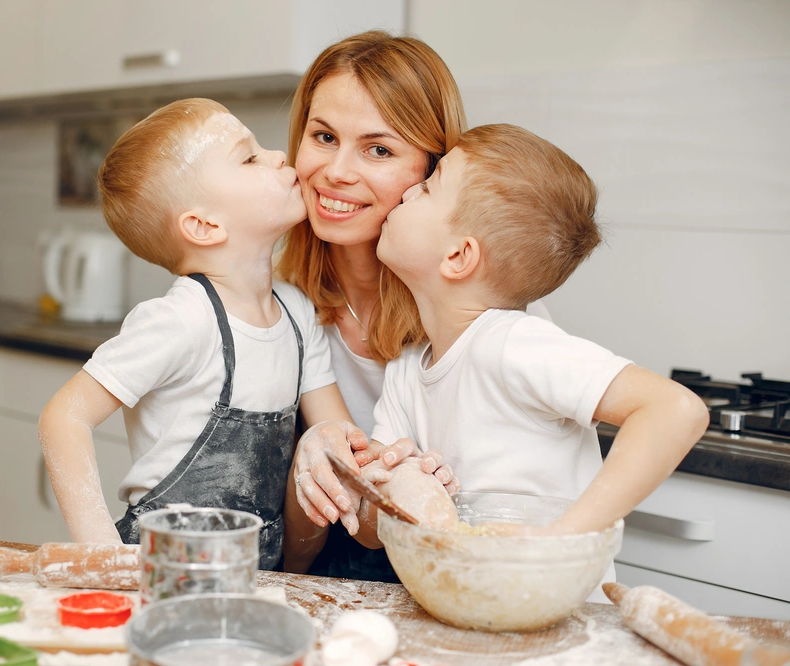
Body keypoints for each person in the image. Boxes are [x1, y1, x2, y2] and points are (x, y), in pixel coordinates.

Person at [360, 123, 710, 598]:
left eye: (427, 187)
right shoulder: (406, 370)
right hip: (472, 609)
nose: (406, 193)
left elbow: (677, 410)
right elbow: (369, 531)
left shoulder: (511, 345)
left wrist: (563, 539)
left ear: (459, 256)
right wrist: (389, 483)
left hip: (562, 613)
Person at [38, 98, 354, 571]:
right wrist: (104, 559)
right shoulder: (181, 321)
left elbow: (335, 444)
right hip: (160, 576)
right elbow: (63, 418)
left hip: (254, 579)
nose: (279, 157)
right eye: (249, 157)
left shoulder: (297, 311)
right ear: (204, 226)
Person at [277, 30, 543, 579]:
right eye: (323, 136)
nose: (337, 172)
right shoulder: (281, 307)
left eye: (378, 149)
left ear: (433, 169)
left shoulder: (484, 318)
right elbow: (303, 549)